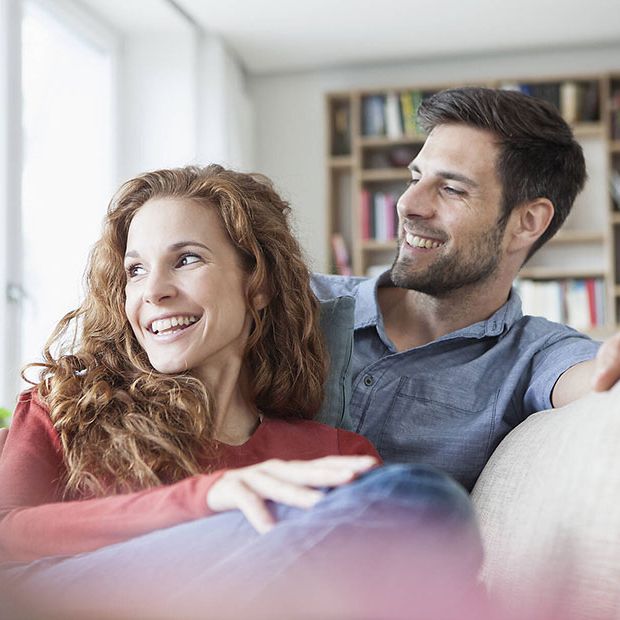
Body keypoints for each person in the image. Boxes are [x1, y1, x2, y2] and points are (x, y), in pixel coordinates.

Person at [0, 165, 482, 619]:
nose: (153, 291)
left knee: (420, 509)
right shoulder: (68, 406)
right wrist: (208, 498)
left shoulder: (329, 453)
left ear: (258, 284)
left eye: (185, 259)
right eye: (135, 270)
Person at [312, 86, 620, 492]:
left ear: (528, 222)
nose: (407, 204)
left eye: (451, 188)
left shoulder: (533, 354)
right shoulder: (303, 300)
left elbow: (593, 376)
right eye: (415, 177)